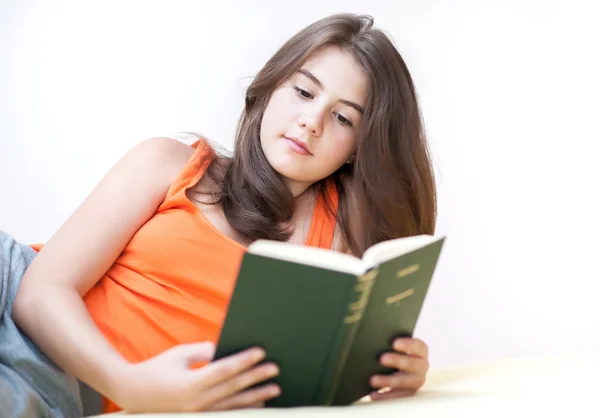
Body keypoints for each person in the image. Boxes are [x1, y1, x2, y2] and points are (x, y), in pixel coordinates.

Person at [1, 12, 437, 417]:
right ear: (270, 88)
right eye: (303, 92)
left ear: (359, 148)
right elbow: (38, 292)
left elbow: (321, 373)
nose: (311, 121)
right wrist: (127, 384)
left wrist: (391, 369)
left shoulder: (340, 237)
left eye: (342, 117)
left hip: (59, 388)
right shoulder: (170, 164)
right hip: (18, 299)